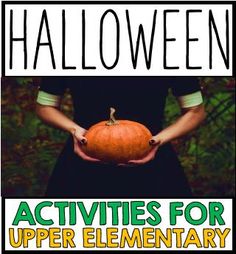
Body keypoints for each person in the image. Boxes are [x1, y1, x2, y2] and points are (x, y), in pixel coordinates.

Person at [36, 76, 206, 197]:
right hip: (85, 157)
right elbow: (45, 106)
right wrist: (74, 130)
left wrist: (159, 139)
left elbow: (195, 111)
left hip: (151, 159)